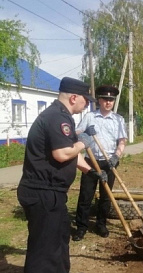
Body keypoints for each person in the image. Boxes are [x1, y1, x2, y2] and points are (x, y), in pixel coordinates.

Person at [17, 77, 107, 273]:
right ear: (74, 97)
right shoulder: (57, 117)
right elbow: (62, 154)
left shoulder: (62, 116)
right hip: (43, 193)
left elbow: (71, 155)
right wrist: (84, 141)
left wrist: (91, 172)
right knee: (45, 249)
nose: (87, 105)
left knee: (58, 241)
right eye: (86, 100)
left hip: (51, 194)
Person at [73, 85, 128, 241]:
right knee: (85, 196)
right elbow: (76, 134)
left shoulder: (118, 120)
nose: (108, 102)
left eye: (111, 100)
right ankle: (81, 227)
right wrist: (84, 133)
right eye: (105, 99)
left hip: (109, 162)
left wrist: (116, 156)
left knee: (106, 196)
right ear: (99, 100)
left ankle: (101, 224)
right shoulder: (90, 117)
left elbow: (122, 141)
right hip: (90, 162)